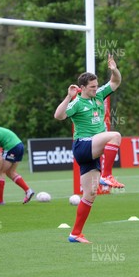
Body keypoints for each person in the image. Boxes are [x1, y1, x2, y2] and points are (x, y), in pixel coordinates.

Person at [54, 55, 122, 243]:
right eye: (91, 87)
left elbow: (116, 81)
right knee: (115, 136)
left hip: (92, 150)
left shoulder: (99, 94)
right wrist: (69, 96)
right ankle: (107, 175)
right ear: (82, 88)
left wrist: (114, 69)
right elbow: (58, 115)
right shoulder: (77, 103)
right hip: (83, 145)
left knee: (90, 194)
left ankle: (75, 233)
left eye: (95, 86)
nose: (95, 89)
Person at [0, 126, 34, 205]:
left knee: (1, 173)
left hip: (12, 147)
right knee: (10, 172)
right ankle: (28, 191)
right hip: (19, 145)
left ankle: (0, 201)